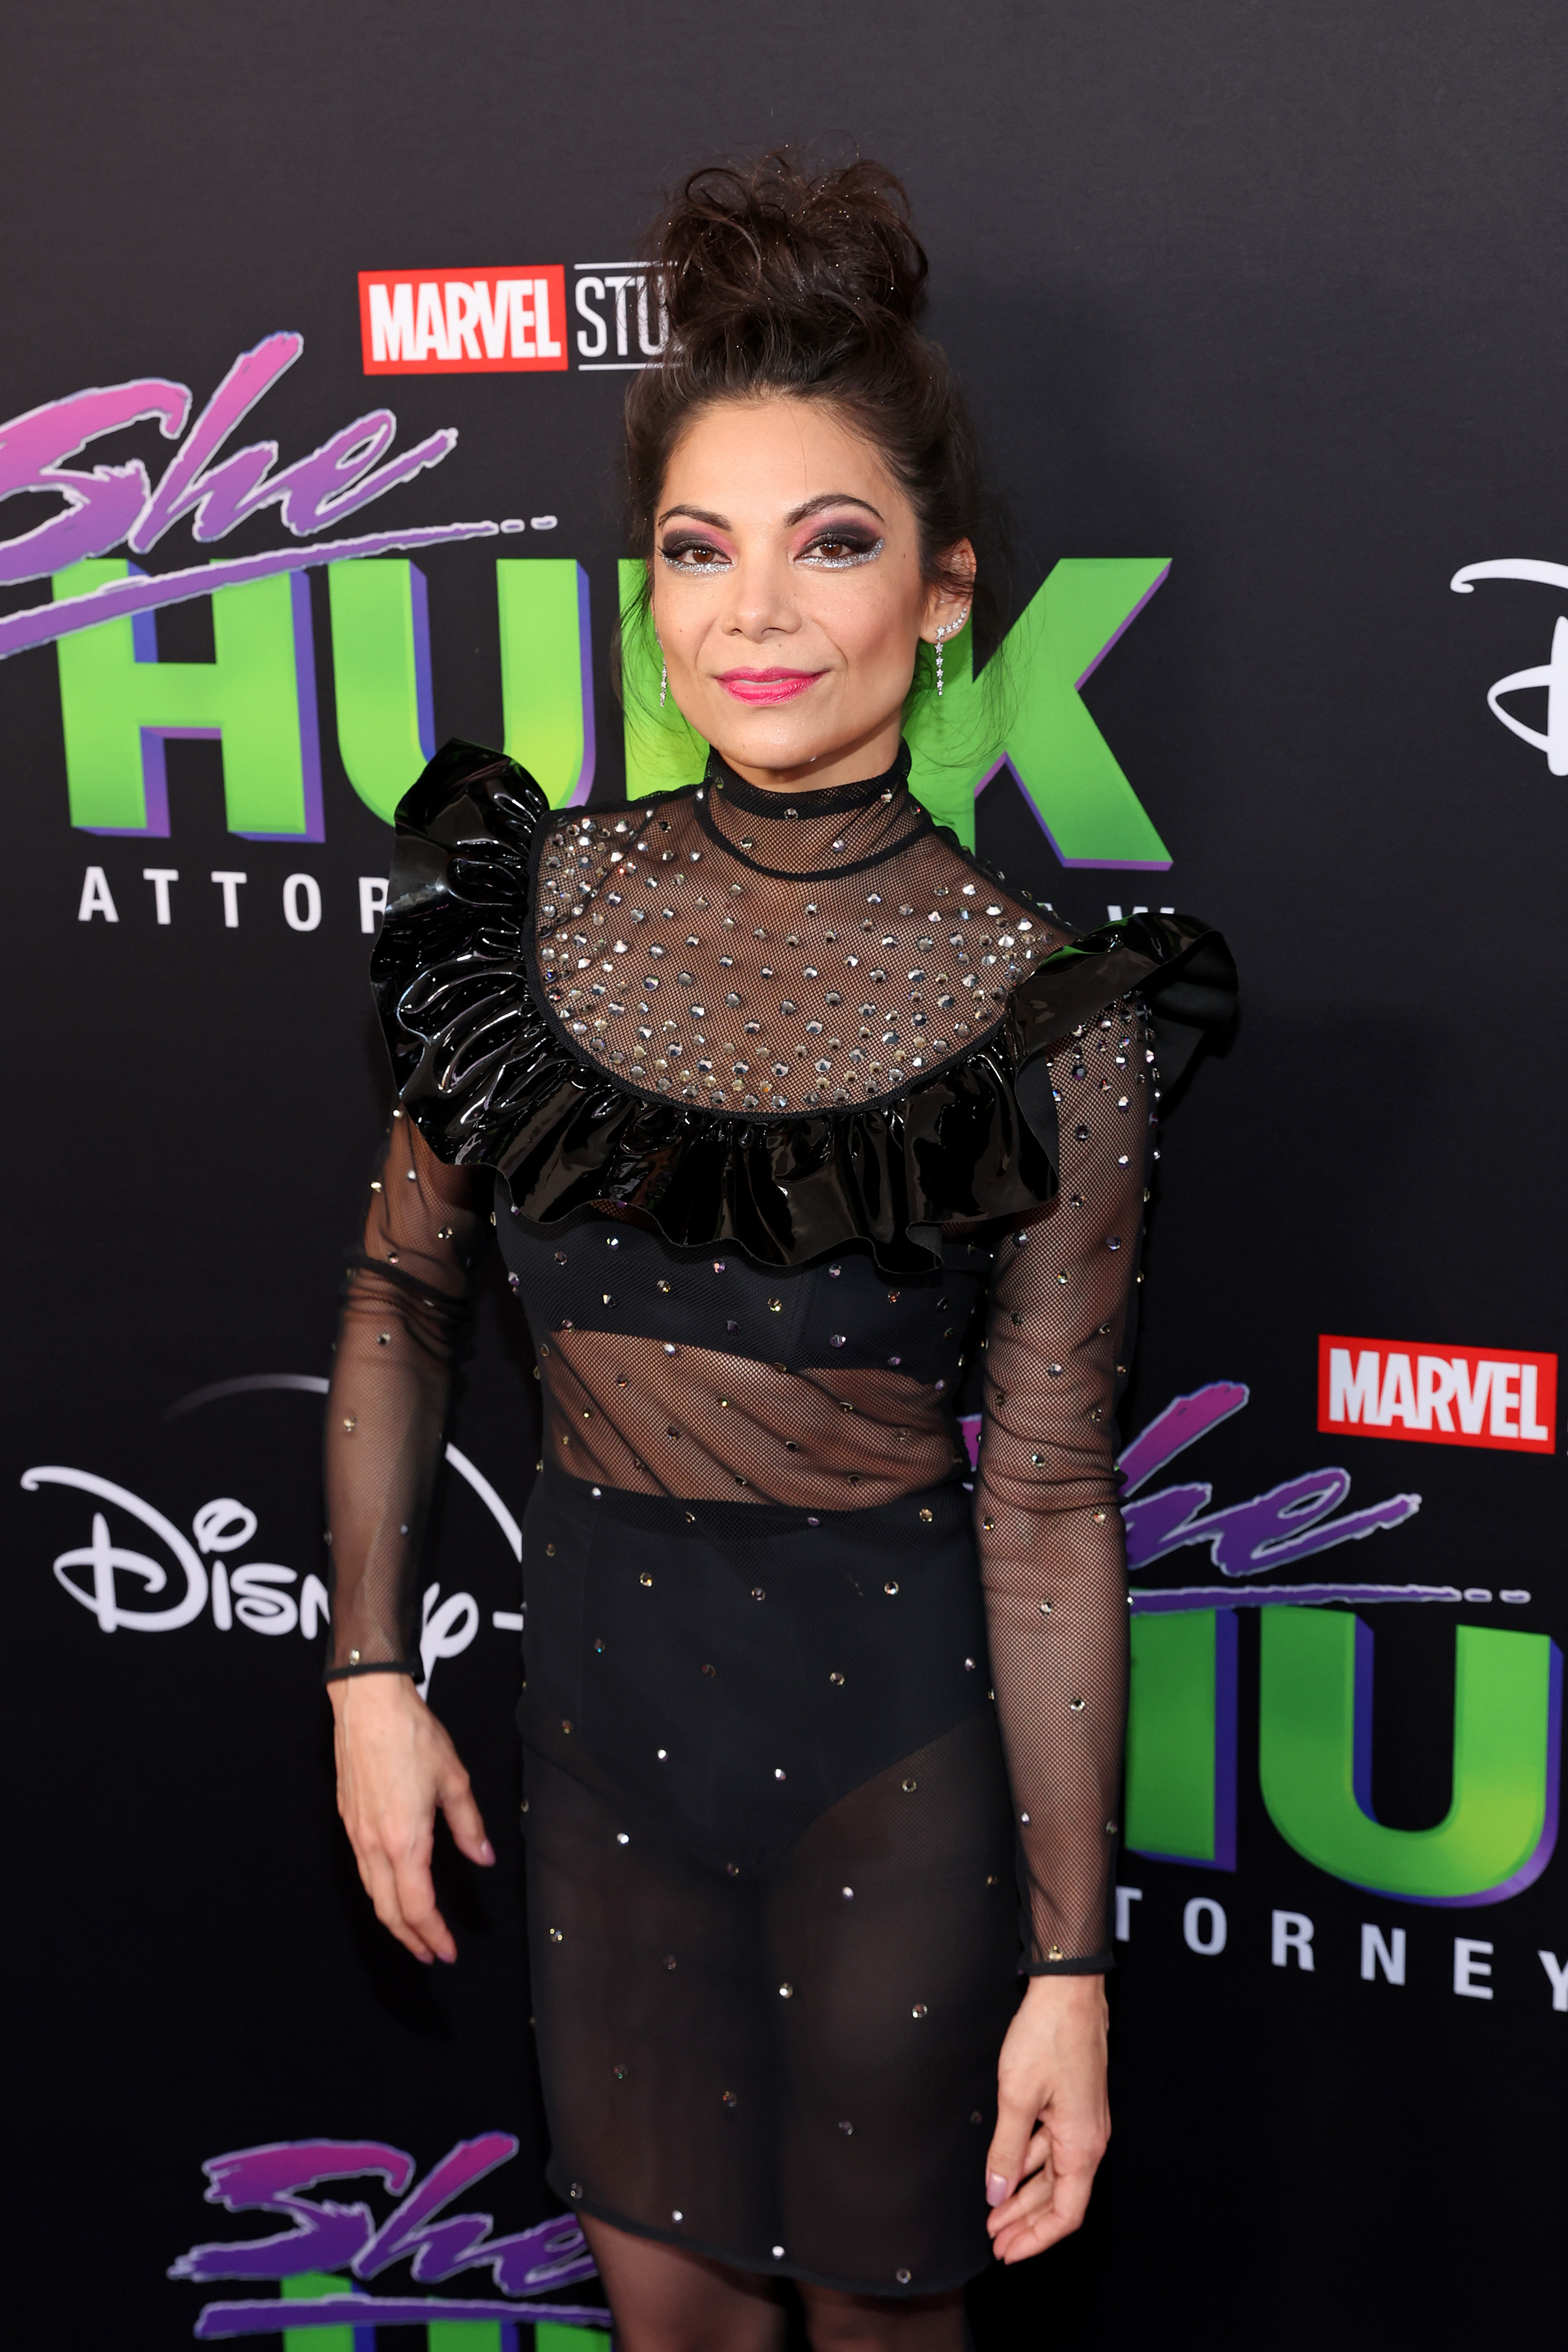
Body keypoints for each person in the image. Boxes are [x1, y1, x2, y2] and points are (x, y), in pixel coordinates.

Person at [322, 150, 1233, 2352]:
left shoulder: (1050, 1017)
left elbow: (1046, 1500)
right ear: (645, 589)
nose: (757, 612)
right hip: (598, 1763)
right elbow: (399, 1298)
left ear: (946, 589)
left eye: (831, 542)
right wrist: (365, 1671)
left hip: (895, 1786)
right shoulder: (518, 928)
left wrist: (1073, 1964)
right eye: (696, 548)